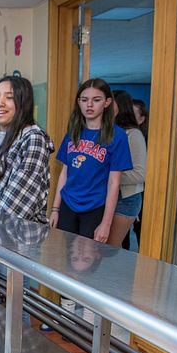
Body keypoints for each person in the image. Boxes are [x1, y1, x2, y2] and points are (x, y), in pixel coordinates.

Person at [49, 78, 132, 242]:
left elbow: (114, 183)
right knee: (66, 255)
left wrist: (106, 224)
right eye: (84, 100)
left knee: (87, 259)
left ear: (107, 102)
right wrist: (55, 209)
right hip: (68, 203)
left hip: (94, 207)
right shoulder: (73, 131)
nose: (89, 105)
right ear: (78, 102)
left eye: (96, 100)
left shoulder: (117, 135)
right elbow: (65, 173)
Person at [0, 75, 54, 222]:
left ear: (23, 103)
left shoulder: (33, 139)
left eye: (9, 97)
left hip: (17, 239)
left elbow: (15, 209)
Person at [107, 90, 147, 248]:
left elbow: (139, 174)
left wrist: (109, 178)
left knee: (110, 248)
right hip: (107, 196)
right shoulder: (107, 131)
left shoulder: (133, 134)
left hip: (126, 199)